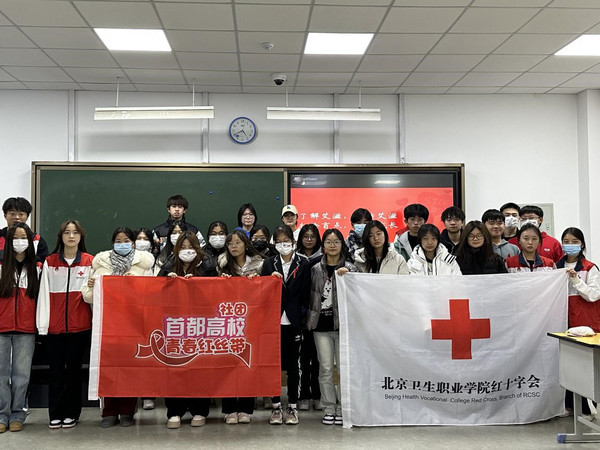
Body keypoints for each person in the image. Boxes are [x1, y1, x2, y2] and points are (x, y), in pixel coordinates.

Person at [81, 226, 155, 428]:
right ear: (112, 243)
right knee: (108, 367)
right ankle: (109, 411)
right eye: (118, 241)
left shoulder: (143, 264)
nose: (122, 244)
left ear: (132, 243)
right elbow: (87, 297)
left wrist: (137, 284)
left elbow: (153, 293)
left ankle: (127, 411)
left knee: (130, 367)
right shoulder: (101, 264)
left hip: (133, 323)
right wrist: (90, 286)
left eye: (126, 241)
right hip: (107, 324)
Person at [37, 220, 94, 429]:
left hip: (80, 327)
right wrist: (43, 325)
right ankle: (55, 413)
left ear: (81, 236)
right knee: (56, 371)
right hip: (54, 328)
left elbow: (92, 297)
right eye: (67, 232)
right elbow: (43, 295)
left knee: (74, 372)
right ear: (61, 237)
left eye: (75, 232)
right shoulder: (50, 262)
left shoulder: (90, 261)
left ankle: (72, 413)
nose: (71, 236)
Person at [157, 231, 210, 429]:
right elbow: (154, 291)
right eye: (183, 247)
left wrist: (199, 282)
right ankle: (174, 411)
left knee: (200, 369)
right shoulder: (169, 265)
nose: (187, 251)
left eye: (191, 247)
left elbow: (218, 292)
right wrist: (167, 281)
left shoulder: (207, 265)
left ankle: (199, 410)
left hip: (200, 326)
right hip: (174, 327)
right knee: (174, 368)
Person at [306, 229, 357, 426]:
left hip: (343, 327)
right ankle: (329, 407)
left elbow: (358, 294)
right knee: (325, 368)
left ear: (342, 244)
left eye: (336, 242)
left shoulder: (351, 268)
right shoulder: (314, 268)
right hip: (320, 326)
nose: (333, 245)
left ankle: (344, 407)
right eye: (328, 242)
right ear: (323, 245)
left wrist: (349, 276)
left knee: (343, 368)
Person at [262, 225, 311, 426]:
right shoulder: (269, 263)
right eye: (279, 241)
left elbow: (306, 293)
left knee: (293, 367)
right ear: (274, 244)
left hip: (294, 321)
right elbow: (263, 292)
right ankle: (275, 406)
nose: (283, 245)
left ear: (293, 242)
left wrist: (302, 317)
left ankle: (292, 405)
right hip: (273, 321)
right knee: (273, 365)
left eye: (287, 241)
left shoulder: (303, 262)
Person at [217, 230, 263, 424]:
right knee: (227, 364)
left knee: (247, 363)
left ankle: (245, 408)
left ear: (246, 244)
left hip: (251, 320)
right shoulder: (222, 264)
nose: (233, 246)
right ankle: (229, 409)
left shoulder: (259, 264)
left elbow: (267, 288)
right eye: (230, 243)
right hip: (227, 321)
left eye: (237, 242)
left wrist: (258, 281)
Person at [0, 223, 41, 433]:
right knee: (1, 374)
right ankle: (2, 414)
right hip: (1, 327)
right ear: (8, 241)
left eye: (23, 237)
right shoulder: (1, 266)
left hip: (26, 329)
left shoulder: (37, 268)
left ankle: (17, 413)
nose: (19, 241)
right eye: (15, 237)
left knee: (21, 375)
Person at [556, 227, 600, 418]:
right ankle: (570, 405)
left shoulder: (590, 267)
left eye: (575, 242)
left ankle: (588, 408)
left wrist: (576, 280)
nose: (570, 245)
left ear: (582, 244)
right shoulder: (556, 266)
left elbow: (593, 295)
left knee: (585, 365)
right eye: (566, 241)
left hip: (584, 320)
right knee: (567, 364)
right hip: (562, 318)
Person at [295, 224, 322, 412]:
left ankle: (318, 395)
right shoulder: (295, 259)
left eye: (313, 236)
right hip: (301, 315)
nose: (309, 240)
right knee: (303, 360)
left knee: (319, 359)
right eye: (306, 236)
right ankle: (303, 394)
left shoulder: (324, 258)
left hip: (320, 315)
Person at [0, 197, 48, 263]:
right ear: (5, 216)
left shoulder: (37, 240)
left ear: (27, 216)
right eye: (12, 214)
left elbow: (43, 264)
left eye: (21, 214)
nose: (17, 217)